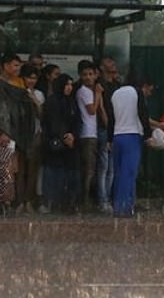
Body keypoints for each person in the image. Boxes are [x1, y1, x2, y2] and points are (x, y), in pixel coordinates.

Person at [0, 53, 37, 214]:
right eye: (15, 65)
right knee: (5, 168)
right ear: (5, 66)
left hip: (23, 132)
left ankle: (18, 201)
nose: (18, 69)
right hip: (6, 132)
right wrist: (3, 131)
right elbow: (1, 109)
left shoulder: (20, 84)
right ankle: (3, 203)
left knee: (19, 168)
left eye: (19, 66)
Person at [107, 71, 156, 218]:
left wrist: (110, 139)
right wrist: (148, 135)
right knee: (129, 173)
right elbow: (143, 114)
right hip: (132, 136)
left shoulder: (115, 94)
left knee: (119, 172)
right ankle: (124, 208)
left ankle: (119, 205)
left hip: (117, 135)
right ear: (143, 85)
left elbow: (111, 118)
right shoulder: (136, 93)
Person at [41, 74, 81, 214]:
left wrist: (73, 135)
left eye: (71, 84)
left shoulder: (72, 102)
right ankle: (51, 202)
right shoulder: (52, 102)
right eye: (66, 84)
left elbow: (77, 121)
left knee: (71, 174)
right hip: (55, 144)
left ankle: (69, 203)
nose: (69, 87)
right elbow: (52, 122)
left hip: (70, 145)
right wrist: (64, 136)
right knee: (53, 174)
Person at [76, 60, 103, 209]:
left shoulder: (88, 91)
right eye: (85, 74)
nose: (88, 77)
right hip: (87, 133)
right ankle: (85, 201)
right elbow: (92, 110)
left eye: (90, 74)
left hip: (91, 132)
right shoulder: (84, 91)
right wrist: (98, 94)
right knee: (89, 169)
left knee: (91, 168)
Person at [19, 64, 46, 214]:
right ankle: (19, 201)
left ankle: (29, 200)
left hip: (35, 133)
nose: (31, 81)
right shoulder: (18, 92)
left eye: (34, 78)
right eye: (29, 77)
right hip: (21, 134)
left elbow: (42, 115)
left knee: (32, 169)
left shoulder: (39, 94)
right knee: (21, 169)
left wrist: (34, 99)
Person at [96, 57, 121, 213]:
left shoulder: (117, 85)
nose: (113, 65)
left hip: (116, 127)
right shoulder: (100, 85)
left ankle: (109, 198)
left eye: (113, 62)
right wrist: (104, 118)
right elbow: (100, 105)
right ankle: (102, 199)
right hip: (105, 127)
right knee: (104, 166)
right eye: (109, 63)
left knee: (111, 167)